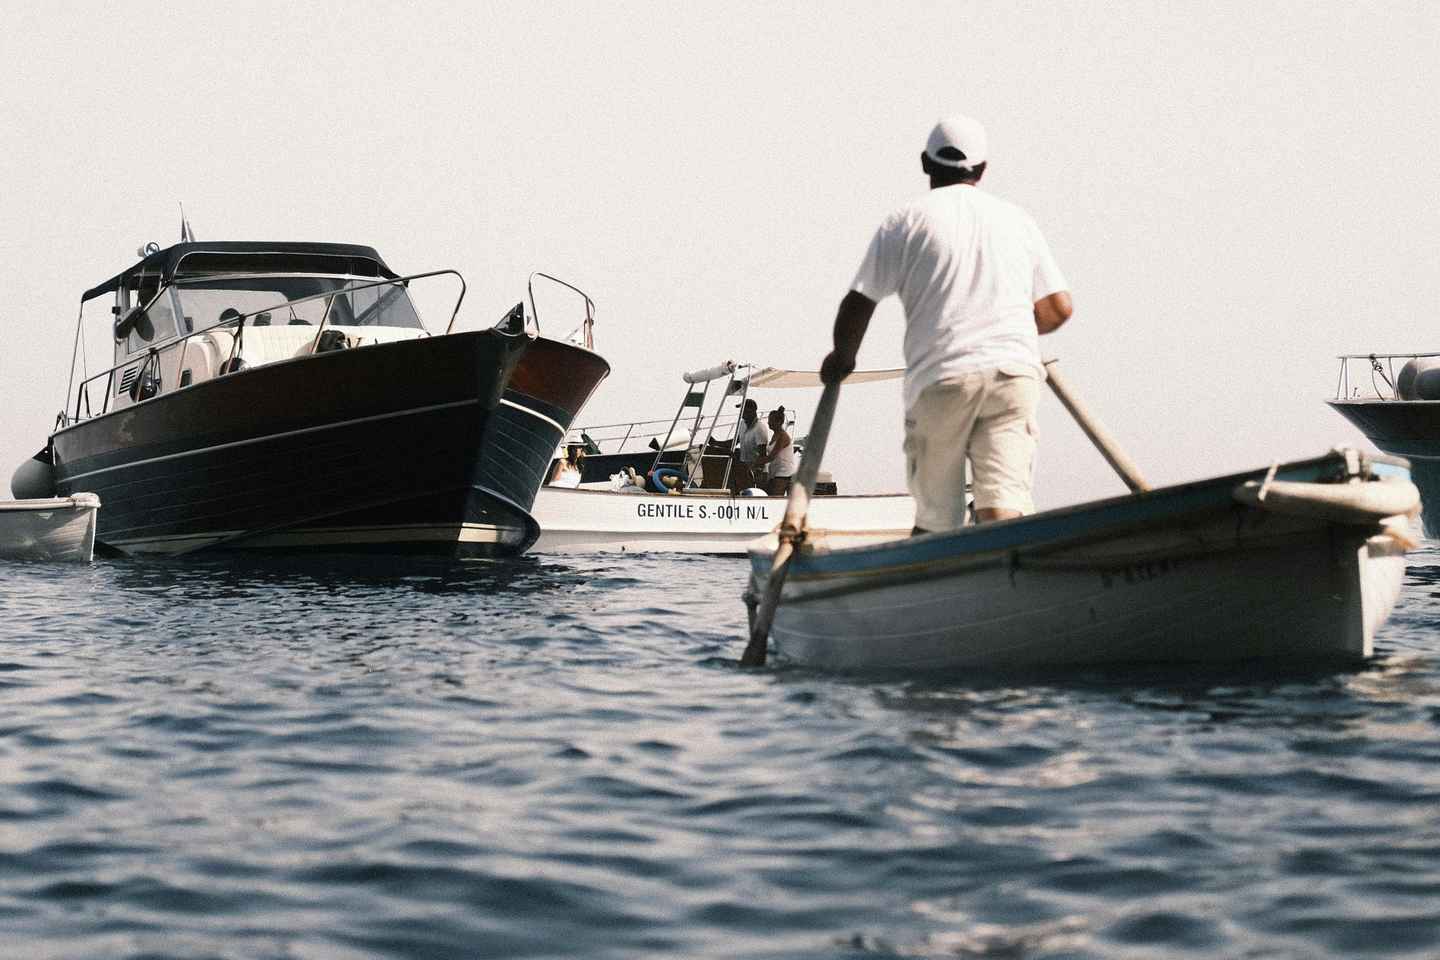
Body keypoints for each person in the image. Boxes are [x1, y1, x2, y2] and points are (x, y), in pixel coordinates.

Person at [820, 114, 1073, 534]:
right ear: (983, 169)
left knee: (936, 518)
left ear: (925, 163)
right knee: (1003, 506)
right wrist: (1009, 326)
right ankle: (1003, 571)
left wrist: (842, 357)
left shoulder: (904, 222)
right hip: (1014, 374)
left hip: (942, 377)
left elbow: (858, 302)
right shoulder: (1017, 220)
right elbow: (1058, 308)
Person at [729, 397, 770, 493]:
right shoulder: (742, 424)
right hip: (744, 470)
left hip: (757, 472)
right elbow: (735, 441)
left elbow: (762, 455)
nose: (742, 413)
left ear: (752, 410)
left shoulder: (760, 428)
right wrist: (716, 443)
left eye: (744, 409)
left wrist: (756, 473)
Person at [754, 407, 797, 496]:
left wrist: (753, 463)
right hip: (775, 473)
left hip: (785, 474)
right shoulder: (775, 435)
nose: (768, 422)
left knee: (775, 498)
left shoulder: (783, 436)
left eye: (771, 420)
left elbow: (771, 457)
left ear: (779, 422)